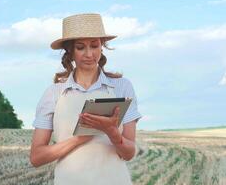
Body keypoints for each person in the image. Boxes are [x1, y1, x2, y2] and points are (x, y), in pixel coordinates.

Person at [30, 13, 142, 185]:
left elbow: (128, 154)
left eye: (94, 45)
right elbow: (37, 157)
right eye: (81, 47)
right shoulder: (54, 93)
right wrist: (80, 138)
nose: (89, 54)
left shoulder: (122, 87)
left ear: (102, 47)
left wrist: (111, 131)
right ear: (70, 51)